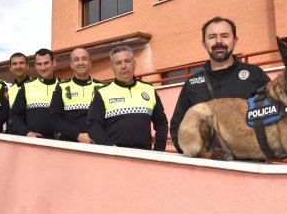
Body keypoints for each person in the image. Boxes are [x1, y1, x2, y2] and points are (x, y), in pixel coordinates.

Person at [170, 16, 271, 153]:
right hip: (206, 167)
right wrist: (195, 155)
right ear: (204, 43)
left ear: (235, 41)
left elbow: (275, 115)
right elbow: (177, 126)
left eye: (224, 36)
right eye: (212, 37)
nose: (219, 41)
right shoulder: (192, 83)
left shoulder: (255, 75)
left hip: (251, 165)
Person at [88, 46, 169, 150]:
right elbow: (93, 126)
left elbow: (161, 123)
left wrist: (159, 150)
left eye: (127, 61)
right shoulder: (102, 93)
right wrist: (111, 148)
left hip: (145, 156)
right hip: (114, 157)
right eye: (118, 63)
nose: (123, 66)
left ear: (134, 64)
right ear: (112, 66)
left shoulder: (149, 89)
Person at [50, 48, 105, 143]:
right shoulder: (61, 87)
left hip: (98, 145)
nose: (80, 62)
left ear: (90, 63)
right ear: (71, 65)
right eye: (76, 59)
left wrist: (99, 137)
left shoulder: (102, 87)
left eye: (84, 59)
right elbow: (54, 119)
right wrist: (78, 136)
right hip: (70, 145)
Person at [10, 48, 59, 138]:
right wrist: (26, 132)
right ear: (35, 66)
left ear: (54, 62)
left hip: (61, 144)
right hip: (33, 143)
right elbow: (14, 114)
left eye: (46, 63)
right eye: (39, 64)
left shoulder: (63, 86)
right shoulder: (27, 87)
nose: (43, 68)